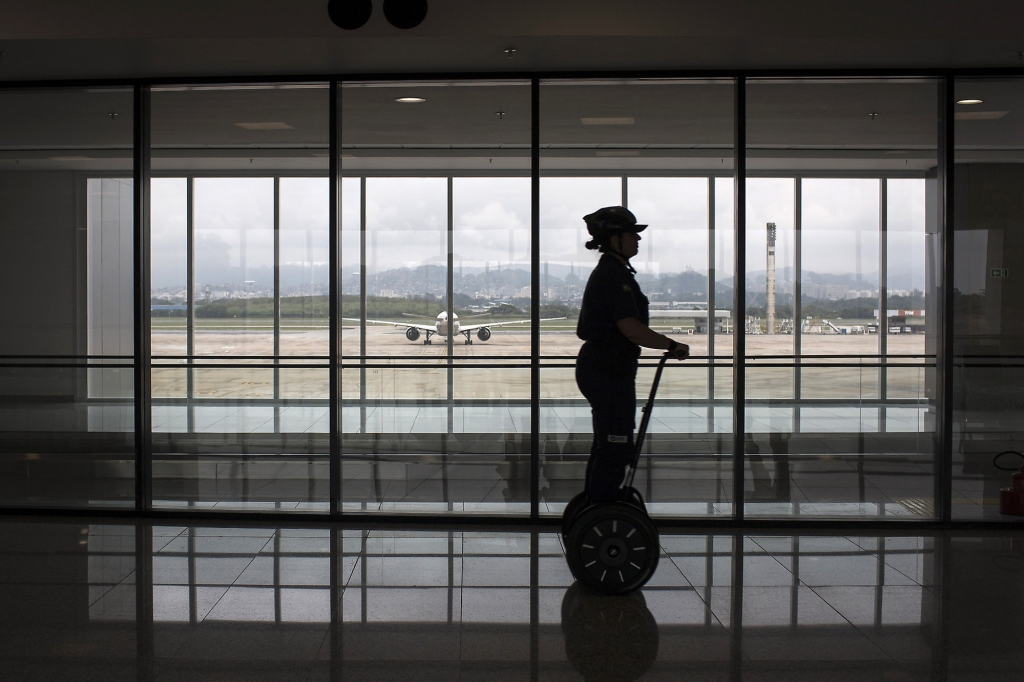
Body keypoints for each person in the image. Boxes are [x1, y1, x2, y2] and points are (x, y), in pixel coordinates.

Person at [575, 206, 689, 503]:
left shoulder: (614, 272)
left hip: (605, 369)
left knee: (608, 445)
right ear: (615, 240)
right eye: (631, 235)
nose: (637, 241)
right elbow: (632, 328)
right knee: (615, 446)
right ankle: (604, 509)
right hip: (607, 371)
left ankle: (597, 506)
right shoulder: (614, 275)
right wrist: (671, 345)